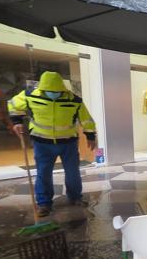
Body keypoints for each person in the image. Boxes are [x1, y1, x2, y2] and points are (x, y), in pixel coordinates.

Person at [8, 71, 96, 217]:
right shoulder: (29, 95)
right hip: (42, 143)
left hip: (68, 143)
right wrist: (16, 121)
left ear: (62, 88)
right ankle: (44, 203)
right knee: (43, 173)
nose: (53, 93)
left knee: (73, 172)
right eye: (49, 91)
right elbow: (13, 104)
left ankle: (75, 197)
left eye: (57, 91)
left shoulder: (74, 100)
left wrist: (90, 135)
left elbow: (86, 119)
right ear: (42, 88)